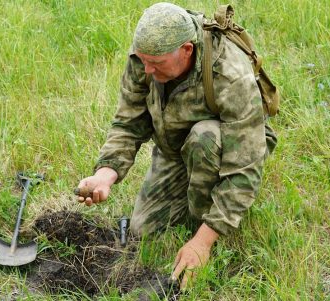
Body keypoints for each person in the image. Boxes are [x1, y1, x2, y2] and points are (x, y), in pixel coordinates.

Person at [76, 2, 277, 289]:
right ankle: (195, 188)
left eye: (155, 64)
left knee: (204, 137)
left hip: (222, 145)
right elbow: (128, 122)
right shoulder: (145, 58)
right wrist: (105, 174)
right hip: (175, 150)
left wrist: (203, 241)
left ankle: (209, 224)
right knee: (143, 229)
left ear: (186, 50)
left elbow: (244, 167)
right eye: (143, 61)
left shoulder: (229, 73)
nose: (146, 69)